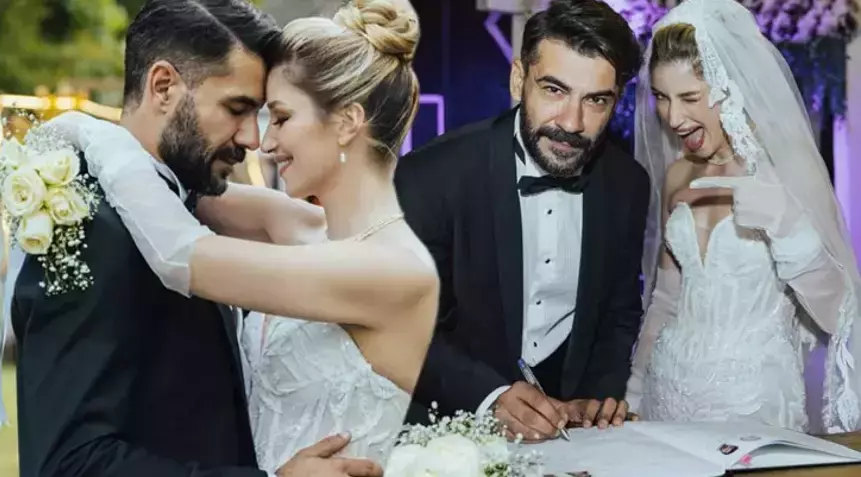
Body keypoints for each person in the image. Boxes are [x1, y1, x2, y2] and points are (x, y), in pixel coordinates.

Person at [48, 0, 436, 470]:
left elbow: (178, 253)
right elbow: (172, 185)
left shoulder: (389, 268)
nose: (262, 143)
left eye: (282, 118)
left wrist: (85, 130)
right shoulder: (298, 225)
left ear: (347, 123)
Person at [394, 0, 650, 441]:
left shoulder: (628, 184)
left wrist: (594, 399)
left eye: (596, 100)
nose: (572, 122)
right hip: (449, 432)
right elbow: (402, 325)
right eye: (554, 90)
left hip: (572, 441)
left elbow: (618, 313)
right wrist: (489, 396)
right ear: (519, 79)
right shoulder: (432, 174)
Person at [627, 0, 861, 433]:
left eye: (690, 97)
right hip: (667, 393)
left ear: (730, 88)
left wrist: (788, 226)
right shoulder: (678, 174)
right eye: (661, 97)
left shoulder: (788, 172)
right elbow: (666, 300)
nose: (673, 117)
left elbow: (838, 315)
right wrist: (635, 391)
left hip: (752, 406)